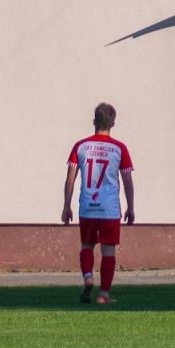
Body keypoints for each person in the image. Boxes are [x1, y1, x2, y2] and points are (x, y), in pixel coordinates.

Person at [60, 102, 136, 305]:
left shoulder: (80, 146)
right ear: (113, 123)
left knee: (86, 245)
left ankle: (88, 278)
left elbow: (70, 179)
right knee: (108, 251)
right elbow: (127, 180)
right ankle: (104, 295)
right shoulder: (120, 148)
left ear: (94, 121)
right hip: (109, 209)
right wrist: (131, 207)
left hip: (87, 207)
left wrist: (66, 206)